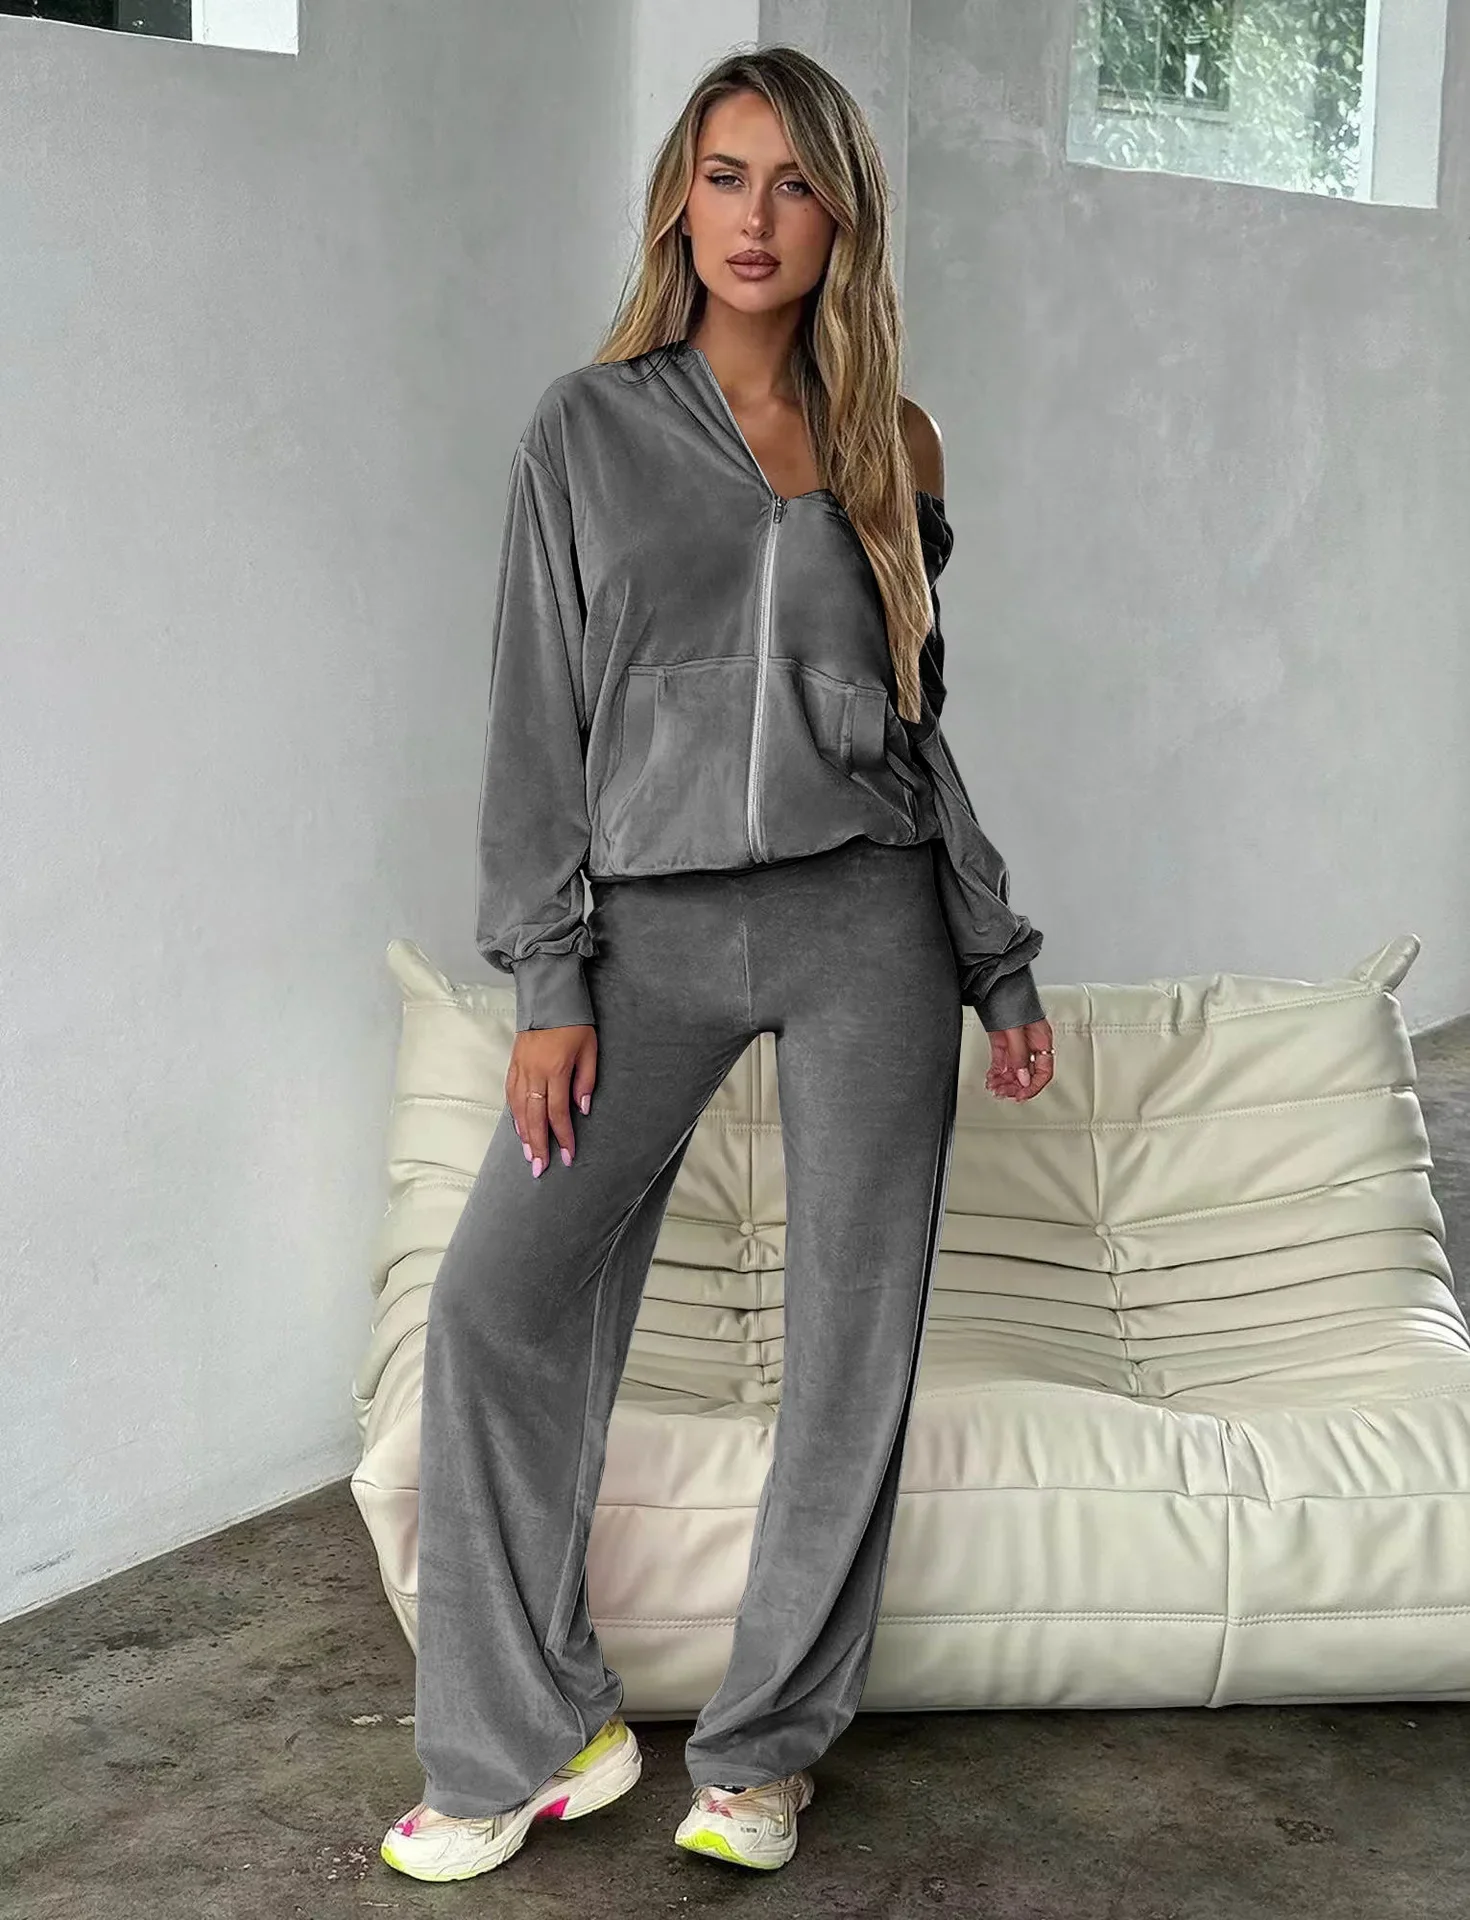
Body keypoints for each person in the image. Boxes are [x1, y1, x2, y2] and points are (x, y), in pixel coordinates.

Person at [381, 44, 1055, 1885]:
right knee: (497, 1304)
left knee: (851, 1348)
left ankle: (763, 1752)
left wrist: (991, 956)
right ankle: (530, 1736)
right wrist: (548, 980)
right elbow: (532, 721)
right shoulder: (583, 429)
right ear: (680, 199)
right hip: (646, 934)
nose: (757, 218)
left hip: (868, 925)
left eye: (795, 183)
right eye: (726, 175)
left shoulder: (894, 440)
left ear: (844, 217)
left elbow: (911, 729)